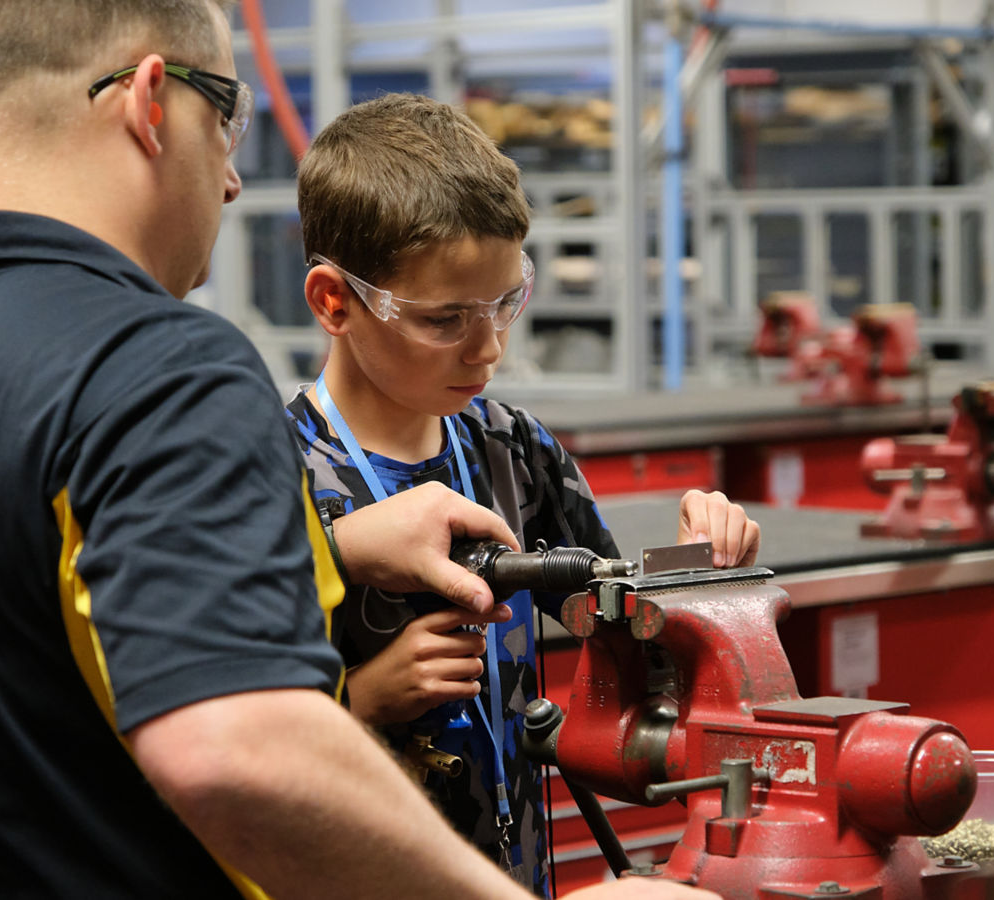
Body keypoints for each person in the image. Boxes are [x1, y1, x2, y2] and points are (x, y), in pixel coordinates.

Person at [0, 1, 716, 899]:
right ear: (150, 101)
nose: (231, 179)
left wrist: (338, 548)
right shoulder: (155, 368)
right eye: (225, 116)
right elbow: (239, 756)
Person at [287, 93, 762, 895]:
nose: (490, 348)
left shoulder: (513, 449)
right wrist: (361, 699)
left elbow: (633, 654)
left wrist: (694, 575)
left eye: (506, 303)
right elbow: (218, 738)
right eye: (446, 320)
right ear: (335, 301)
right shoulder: (275, 474)